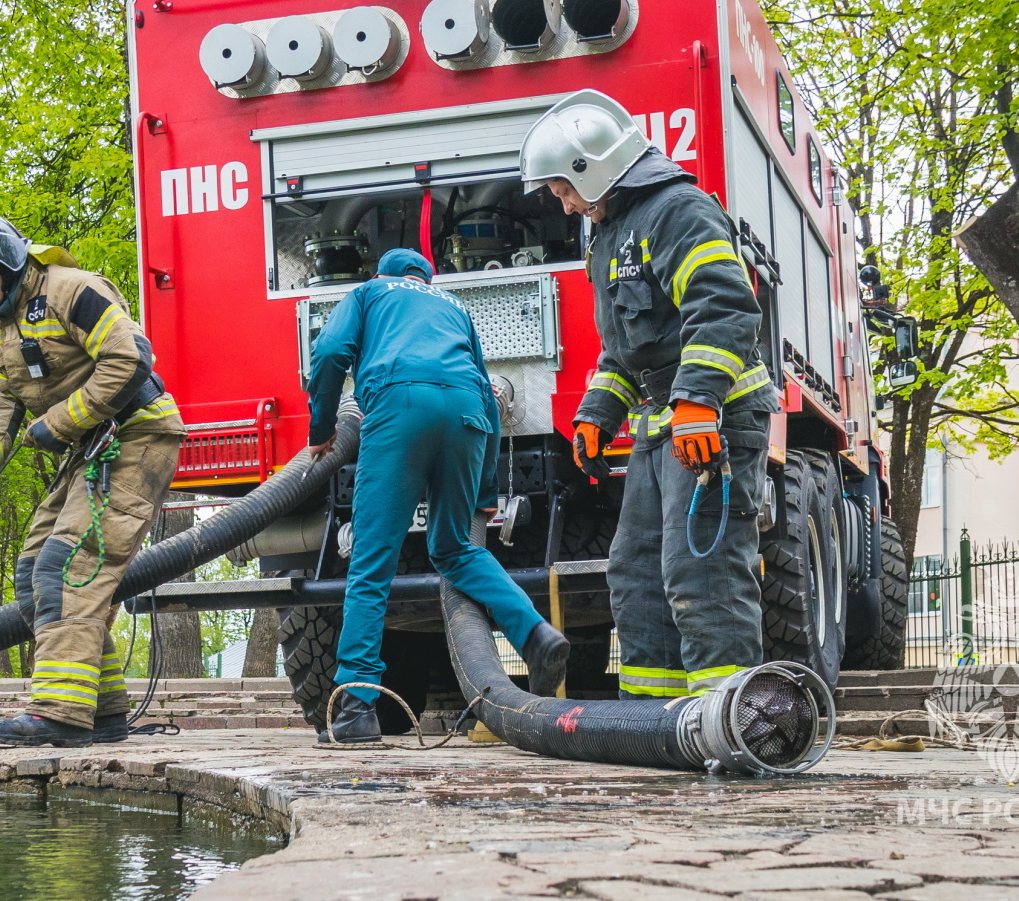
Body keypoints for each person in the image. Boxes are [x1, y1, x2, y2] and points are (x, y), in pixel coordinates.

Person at [518, 89, 778, 701]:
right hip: (663, 425)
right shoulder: (608, 233)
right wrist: (598, 414)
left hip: (714, 419)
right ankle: (656, 722)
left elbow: (725, 308)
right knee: (636, 576)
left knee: (703, 573)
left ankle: (730, 718)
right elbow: (623, 346)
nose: (561, 201)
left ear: (594, 166)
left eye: (561, 187)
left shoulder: (679, 212)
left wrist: (697, 401)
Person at [0, 205, 184, 748]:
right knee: (32, 576)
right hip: (95, 447)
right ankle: (102, 710)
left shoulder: (73, 289)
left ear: (5, 257)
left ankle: (60, 713)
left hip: (139, 434)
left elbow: (130, 357)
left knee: (69, 566)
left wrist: (59, 422)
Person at [305, 247, 569, 746]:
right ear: (428, 278)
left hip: (400, 406)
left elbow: (331, 352)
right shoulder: (453, 307)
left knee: (372, 559)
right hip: (468, 414)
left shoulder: (368, 292)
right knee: (455, 548)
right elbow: (489, 394)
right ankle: (536, 634)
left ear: (384, 272)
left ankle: (357, 708)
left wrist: (321, 427)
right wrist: (486, 492)